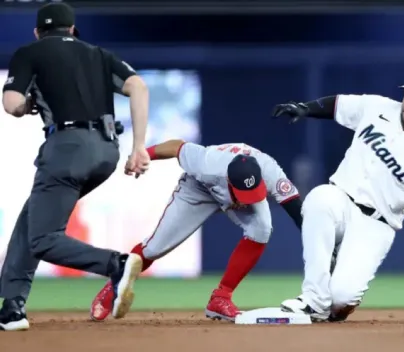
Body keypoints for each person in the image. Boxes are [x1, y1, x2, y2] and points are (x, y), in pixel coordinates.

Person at [0, 3, 151, 331]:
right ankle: (11, 307)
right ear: (72, 30)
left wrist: (27, 104)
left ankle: (116, 264)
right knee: (33, 220)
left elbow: (11, 104)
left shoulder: (30, 52)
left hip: (67, 147)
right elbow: (137, 86)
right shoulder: (98, 53)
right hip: (107, 152)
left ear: (38, 32)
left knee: (42, 237)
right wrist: (139, 146)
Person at [272, 70, 404, 322]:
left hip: (376, 224)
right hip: (340, 199)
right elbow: (338, 105)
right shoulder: (378, 107)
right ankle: (313, 300)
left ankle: (337, 302)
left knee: (341, 299)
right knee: (318, 198)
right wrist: (305, 108)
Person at [90, 140, 303, 322]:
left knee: (262, 228)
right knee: (155, 247)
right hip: (198, 190)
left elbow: (294, 206)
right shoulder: (207, 163)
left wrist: (315, 237)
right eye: (243, 194)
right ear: (229, 181)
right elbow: (176, 147)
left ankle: (221, 298)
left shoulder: (270, 170)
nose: (247, 199)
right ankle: (116, 283)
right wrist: (144, 155)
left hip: (231, 184)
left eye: (252, 192)